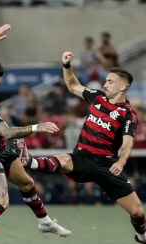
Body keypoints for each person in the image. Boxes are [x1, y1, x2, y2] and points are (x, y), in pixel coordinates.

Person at [0, 24, 71, 244]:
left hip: (2, 149)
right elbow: (6, 132)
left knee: (28, 184)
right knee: (1, 201)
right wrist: (35, 127)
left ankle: (45, 222)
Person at [22, 51, 146, 243]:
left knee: (138, 212)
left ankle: (141, 236)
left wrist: (121, 162)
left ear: (123, 86)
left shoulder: (128, 113)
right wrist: (66, 66)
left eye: (110, 81)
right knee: (63, 159)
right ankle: (28, 161)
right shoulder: (97, 97)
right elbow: (73, 85)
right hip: (83, 157)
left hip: (107, 165)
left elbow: (128, 142)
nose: (105, 84)